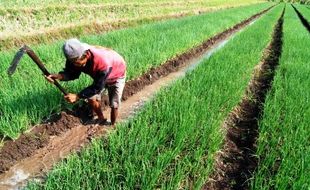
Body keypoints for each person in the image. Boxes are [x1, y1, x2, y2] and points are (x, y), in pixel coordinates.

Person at [46, 38, 126, 125]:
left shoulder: (102, 63)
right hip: (100, 75)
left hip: (117, 74)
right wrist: (59, 76)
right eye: (73, 63)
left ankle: (112, 125)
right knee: (91, 98)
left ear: (86, 55)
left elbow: (97, 87)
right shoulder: (73, 56)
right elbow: (73, 74)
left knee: (114, 104)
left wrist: (77, 96)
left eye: (78, 63)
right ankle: (101, 118)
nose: (76, 66)